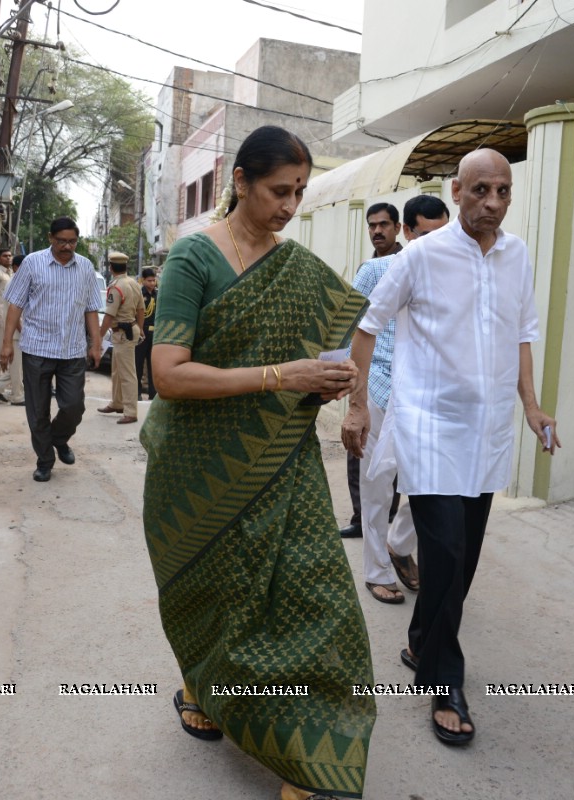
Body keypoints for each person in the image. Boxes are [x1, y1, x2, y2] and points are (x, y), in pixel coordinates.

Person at [141, 126, 376, 800]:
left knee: (317, 601)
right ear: (239, 181)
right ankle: (202, 684)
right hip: (198, 466)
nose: (290, 204)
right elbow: (170, 375)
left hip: (283, 460)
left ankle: (309, 757)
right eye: (279, 190)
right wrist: (283, 375)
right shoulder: (194, 260)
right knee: (215, 597)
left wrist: (340, 385)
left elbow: (347, 338)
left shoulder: (295, 269)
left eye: (300, 191)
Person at [342, 149, 559, 746]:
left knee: (463, 563)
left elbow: (521, 335)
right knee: (447, 553)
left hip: (487, 432)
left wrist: (532, 404)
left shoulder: (516, 256)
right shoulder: (421, 256)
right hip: (429, 426)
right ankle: (445, 679)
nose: (492, 203)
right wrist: (358, 406)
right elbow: (367, 328)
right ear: (457, 189)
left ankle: (420, 641)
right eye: (481, 190)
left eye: (504, 192)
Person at [349, 195, 450, 604]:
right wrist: (348, 392)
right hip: (379, 383)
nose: (437, 244)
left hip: (430, 391)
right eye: (426, 234)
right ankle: (377, 569)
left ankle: (398, 542)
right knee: (377, 485)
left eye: (445, 234)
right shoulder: (376, 269)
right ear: (408, 232)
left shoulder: (455, 273)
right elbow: (349, 324)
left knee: (434, 481)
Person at [0, 217, 103, 482]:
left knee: (73, 406)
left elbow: (91, 308)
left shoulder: (86, 267)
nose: (67, 246)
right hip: (37, 348)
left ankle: (59, 438)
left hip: (72, 351)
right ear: (50, 238)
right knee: (37, 411)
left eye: (72, 241)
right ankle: (45, 460)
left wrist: (96, 344)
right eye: (61, 241)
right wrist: (7, 342)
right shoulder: (33, 263)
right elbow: (15, 304)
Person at [339, 203, 405, 539]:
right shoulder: (372, 269)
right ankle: (363, 516)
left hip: (399, 376)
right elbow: (352, 322)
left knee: (388, 454)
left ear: (398, 227)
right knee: (364, 450)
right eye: (372, 226)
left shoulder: (405, 265)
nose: (377, 231)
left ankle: (384, 516)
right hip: (372, 373)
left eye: (384, 225)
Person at [97, 252, 144, 424]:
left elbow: (109, 316)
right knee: (117, 371)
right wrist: (140, 328)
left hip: (123, 333)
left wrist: (98, 338)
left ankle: (130, 411)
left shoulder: (116, 287)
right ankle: (117, 403)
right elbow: (141, 310)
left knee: (127, 374)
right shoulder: (133, 283)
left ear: (111, 267)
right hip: (129, 330)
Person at [0, 252, 24, 405]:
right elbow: (13, 310)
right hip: (16, 329)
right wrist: (23, 329)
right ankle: (17, 396)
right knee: (16, 365)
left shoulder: (16, 280)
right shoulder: (14, 282)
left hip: (17, 328)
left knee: (20, 365)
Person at [135, 266, 158, 400]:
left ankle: (153, 393)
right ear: (143, 280)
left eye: (153, 280)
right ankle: (137, 392)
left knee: (152, 365)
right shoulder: (139, 294)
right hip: (142, 332)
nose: (152, 283)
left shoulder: (157, 294)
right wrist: (139, 328)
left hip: (154, 333)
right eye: (149, 280)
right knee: (138, 364)